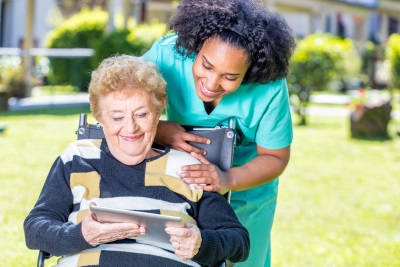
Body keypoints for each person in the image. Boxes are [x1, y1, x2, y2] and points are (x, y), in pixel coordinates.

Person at [24, 55, 250, 267]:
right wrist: (81, 235)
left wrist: (201, 243)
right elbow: (35, 229)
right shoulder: (78, 157)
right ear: (99, 117)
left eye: (142, 114)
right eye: (117, 117)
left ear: (158, 113)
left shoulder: (189, 168)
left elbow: (238, 241)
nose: (130, 127)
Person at [142, 0, 296, 266]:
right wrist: (158, 129)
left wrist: (227, 178)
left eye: (230, 77)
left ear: (251, 72)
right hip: (181, 178)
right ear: (196, 46)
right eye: (207, 65)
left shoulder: (269, 85)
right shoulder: (167, 55)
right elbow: (115, 103)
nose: (211, 84)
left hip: (247, 184)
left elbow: (276, 156)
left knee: (244, 256)